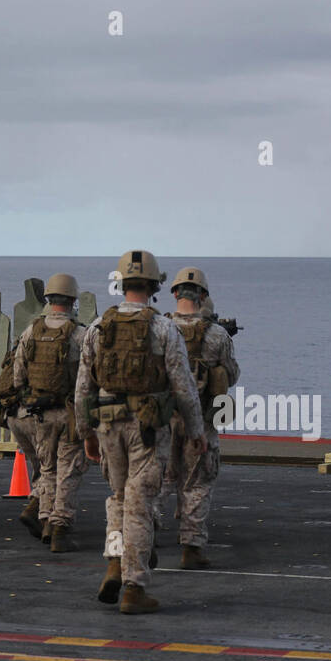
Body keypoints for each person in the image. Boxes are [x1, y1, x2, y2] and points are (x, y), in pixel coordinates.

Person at [75, 250, 206, 614]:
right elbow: (183, 386)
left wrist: (86, 431)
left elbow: (82, 387)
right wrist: (196, 430)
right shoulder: (163, 328)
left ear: (121, 283)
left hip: (107, 424)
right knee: (140, 503)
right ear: (154, 286)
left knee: (118, 497)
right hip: (147, 429)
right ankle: (134, 585)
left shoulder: (98, 328)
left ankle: (115, 562)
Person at [159, 267, 239, 569]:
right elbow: (230, 375)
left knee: (161, 479)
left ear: (175, 293)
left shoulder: (160, 328)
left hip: (164, 418)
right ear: (203, 296)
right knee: (198, 482)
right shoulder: (217, 335)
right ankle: (191, 546)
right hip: (202, 421)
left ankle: (147, 530)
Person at [9, 274, 88, 551]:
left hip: (38, 413)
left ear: (49, 299)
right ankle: (60, 528)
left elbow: (17, 377)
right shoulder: (80, 334)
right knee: (69, 470)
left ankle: (44, 519)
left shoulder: (31, 331)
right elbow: (87, 380)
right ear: (72, 300)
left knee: (47, 468)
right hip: (69, 413)